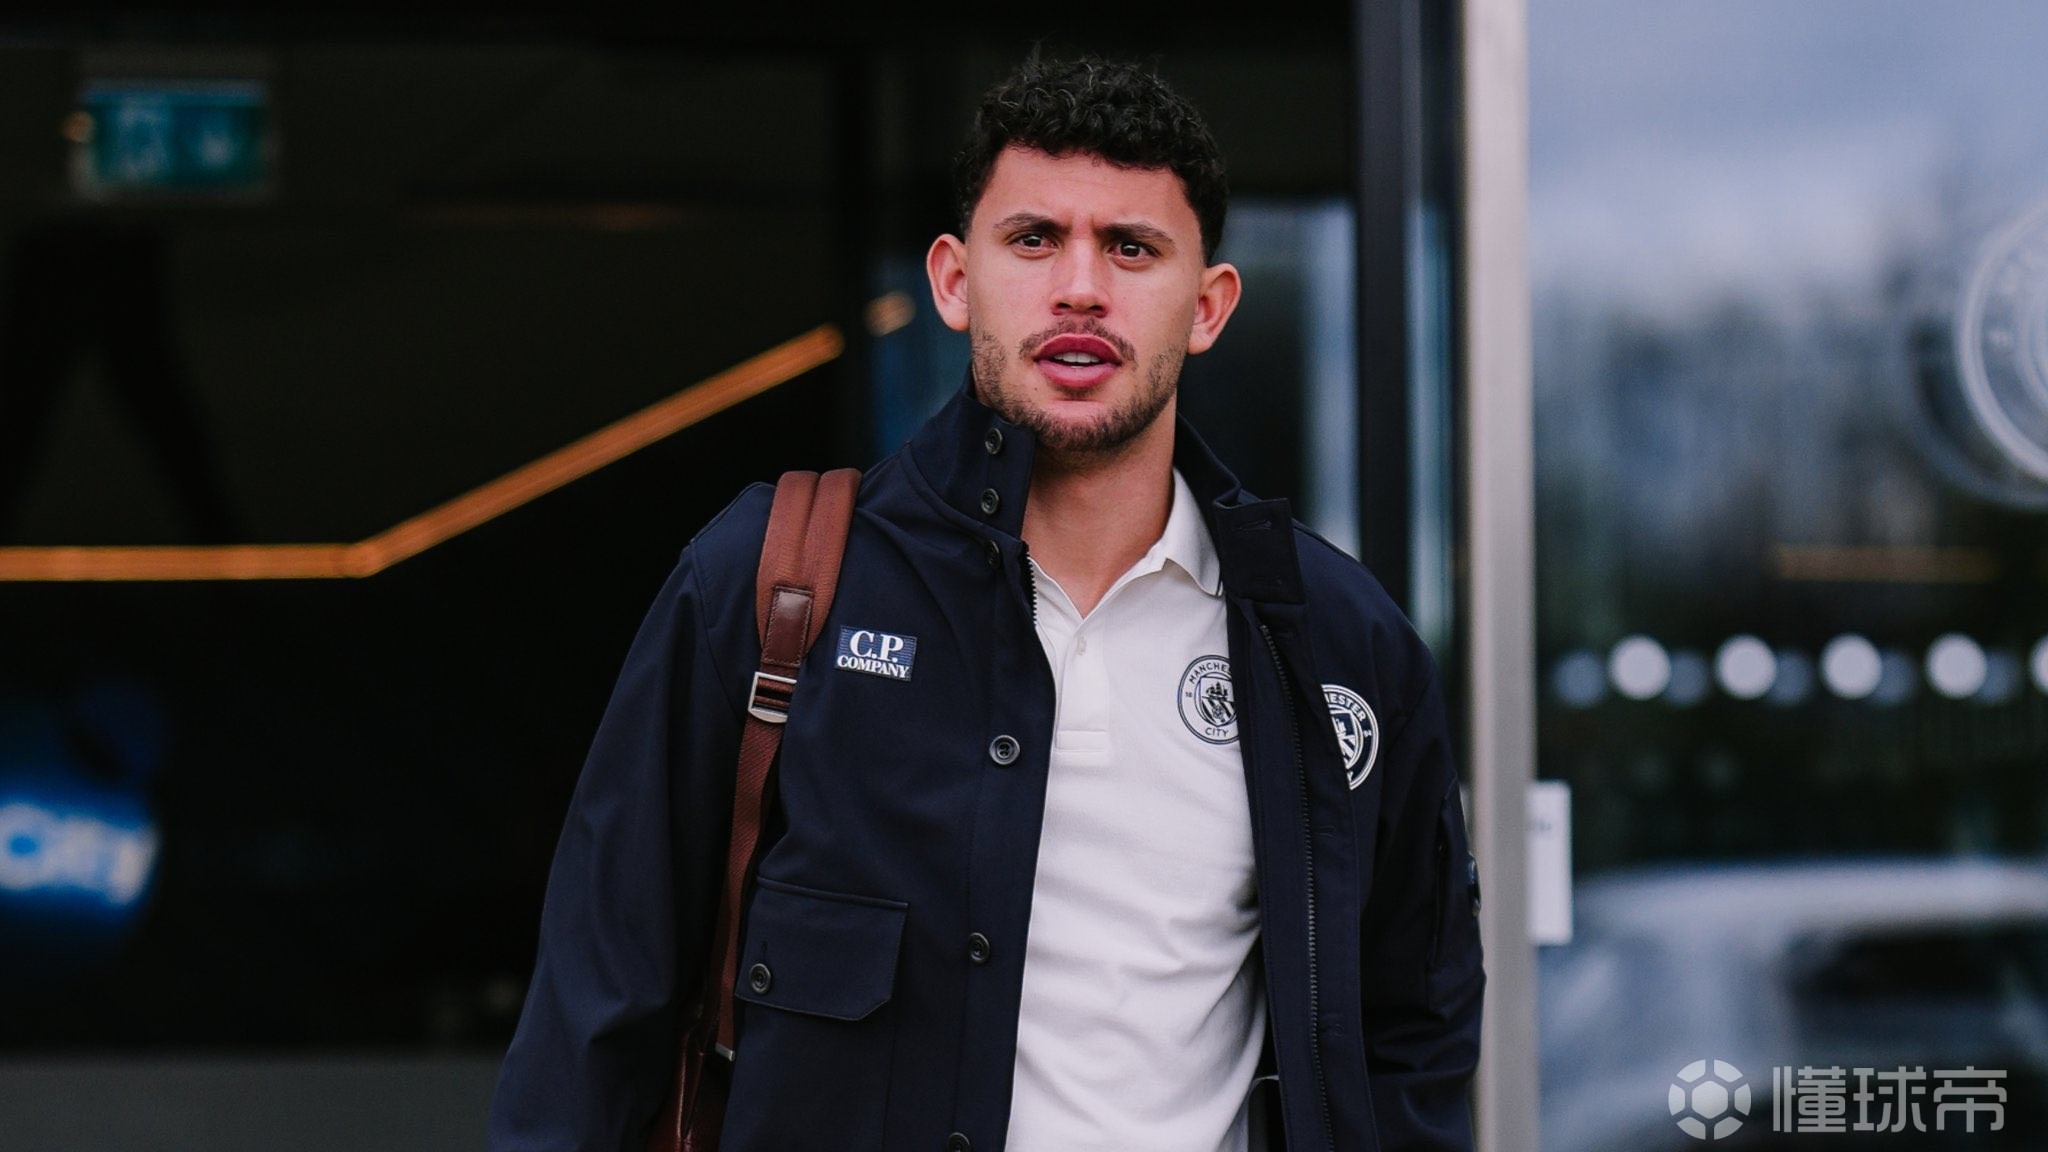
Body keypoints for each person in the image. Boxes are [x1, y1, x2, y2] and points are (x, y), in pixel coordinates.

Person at [490, 54, 1483, 1152]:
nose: (1080, 288)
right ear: (954, 282)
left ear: (1207, 307)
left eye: (1131, 247)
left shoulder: (1337, 641)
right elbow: (593, 1015)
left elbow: (1414, 1033)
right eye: (1034, 239)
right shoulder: (771, 583)